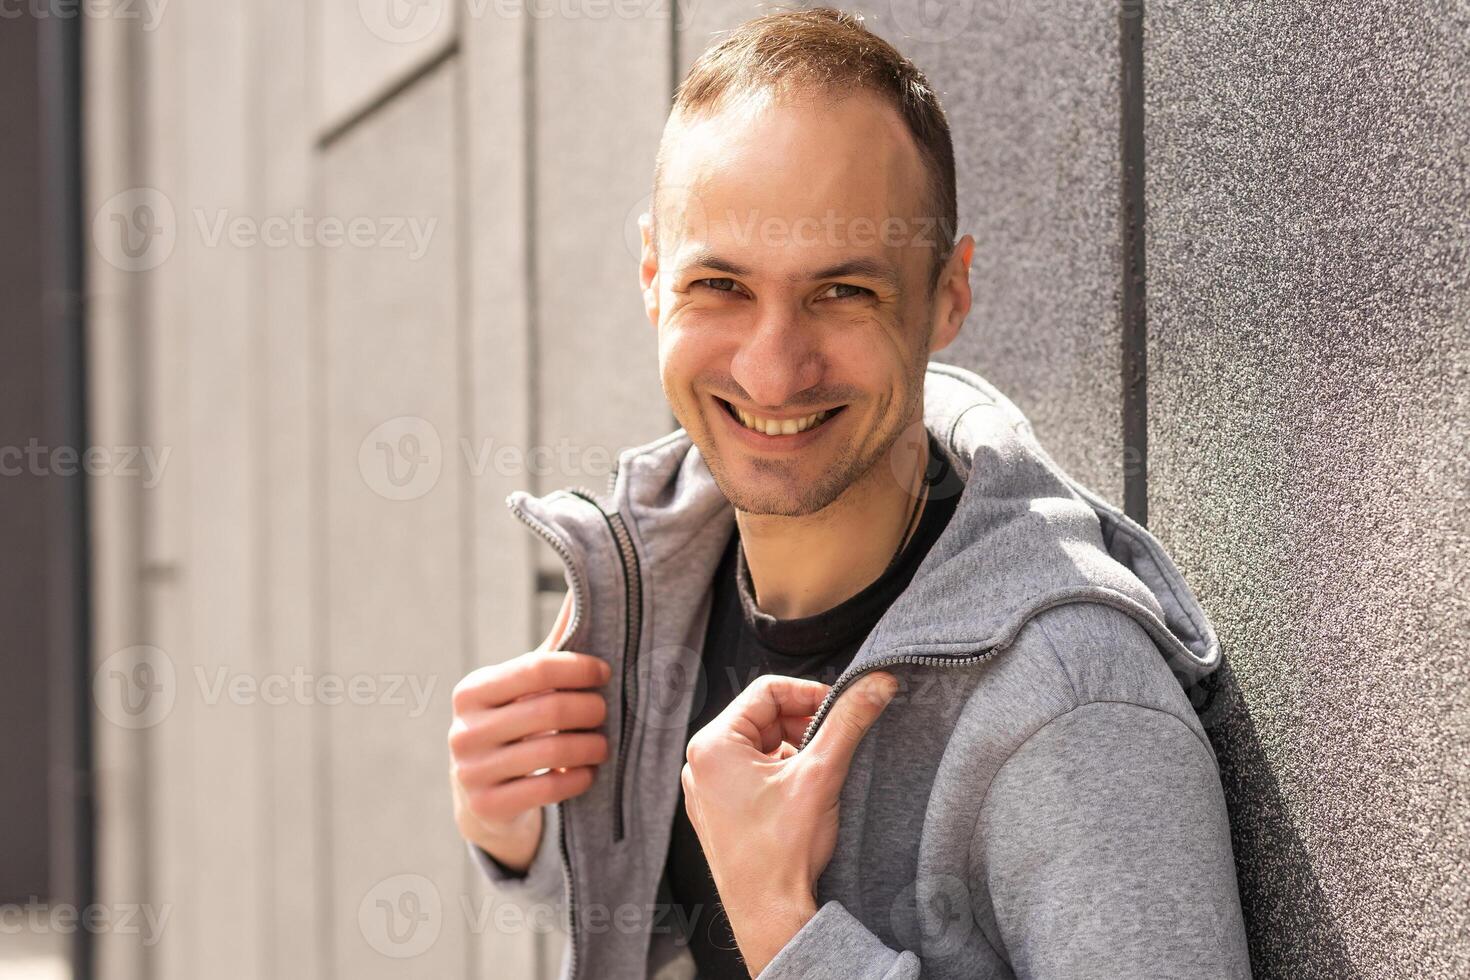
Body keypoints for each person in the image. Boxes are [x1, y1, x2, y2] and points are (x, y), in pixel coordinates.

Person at [448, 8, 1251, 979]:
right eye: (722, 286)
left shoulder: (1075, 704)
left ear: (947, 294)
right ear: (654, 276)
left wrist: (789, 929)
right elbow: (671, 920)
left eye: (843, 292)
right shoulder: (670, 572)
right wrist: (524, 832)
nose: (774, 369)